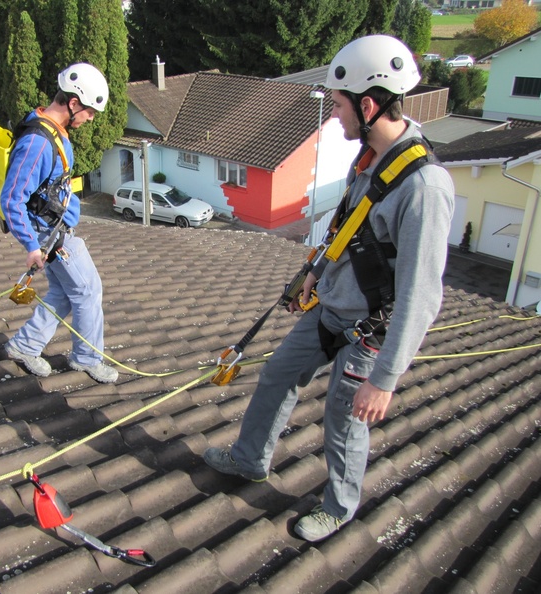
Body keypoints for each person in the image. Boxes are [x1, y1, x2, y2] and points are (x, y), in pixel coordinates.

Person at [203, 35, 454, 541]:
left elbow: (421, 294)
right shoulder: (369, 161)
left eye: (338, 105)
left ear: (368, 104)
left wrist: (384, 378)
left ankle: (339, 508)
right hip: (330, 310)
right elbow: (348, 231)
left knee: (343, 420)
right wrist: (314, 274)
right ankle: (250, 459)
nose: (333, 115)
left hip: (371, 331)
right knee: (277, 375)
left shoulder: (424, 188)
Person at [0, 63, 118, 384]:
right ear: (73, 103)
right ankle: (87, 357)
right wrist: (32, 246)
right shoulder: (38, 143)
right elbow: (11, 198)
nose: (91, 119)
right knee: (89, 291)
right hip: (50, 237)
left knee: (66, 293)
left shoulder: (50, 129)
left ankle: (24, 346)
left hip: (53, 230)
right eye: (89, 112)